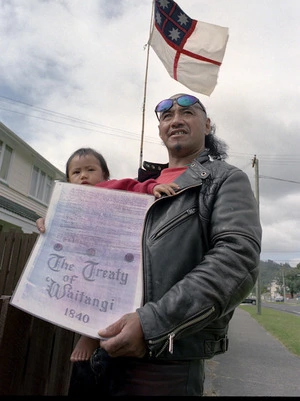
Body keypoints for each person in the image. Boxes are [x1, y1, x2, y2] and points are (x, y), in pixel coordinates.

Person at [93, 93, 262, 396]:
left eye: (187, 112)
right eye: (167, 116)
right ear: (160, 130)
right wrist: (56, 225)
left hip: (165, 364)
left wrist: (152, 324)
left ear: (207, 125)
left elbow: (238, 259)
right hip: (100, 351)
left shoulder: (224, 180)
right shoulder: (139, 188)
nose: (175, 120)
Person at [36, 147, 179, 366]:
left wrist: (154, 187)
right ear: (68, 179)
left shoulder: (111, 187)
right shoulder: (68, 201)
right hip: (79, 260)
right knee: (76, 291)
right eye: (76, 172)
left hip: (113, 256)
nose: (83, 176)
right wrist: (46, 222)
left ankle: (90, 337)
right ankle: (86, 331)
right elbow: (55, 222)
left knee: (106, 294)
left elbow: (137, 187)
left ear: (104, 175)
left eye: (90, 170)